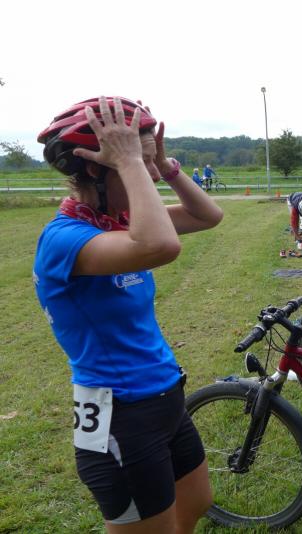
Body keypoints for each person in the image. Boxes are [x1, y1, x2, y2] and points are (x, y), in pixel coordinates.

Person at [34, 96, 223, 532]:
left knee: (196, 505)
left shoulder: (117, 222)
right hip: (122, 417)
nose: (150, 173)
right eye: (138, 161)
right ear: (96, 170)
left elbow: (207, 215)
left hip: (165, 398)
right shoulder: (64, 239)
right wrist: (133, 161)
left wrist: (165, 166)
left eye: (150, 161)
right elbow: (161, 246)